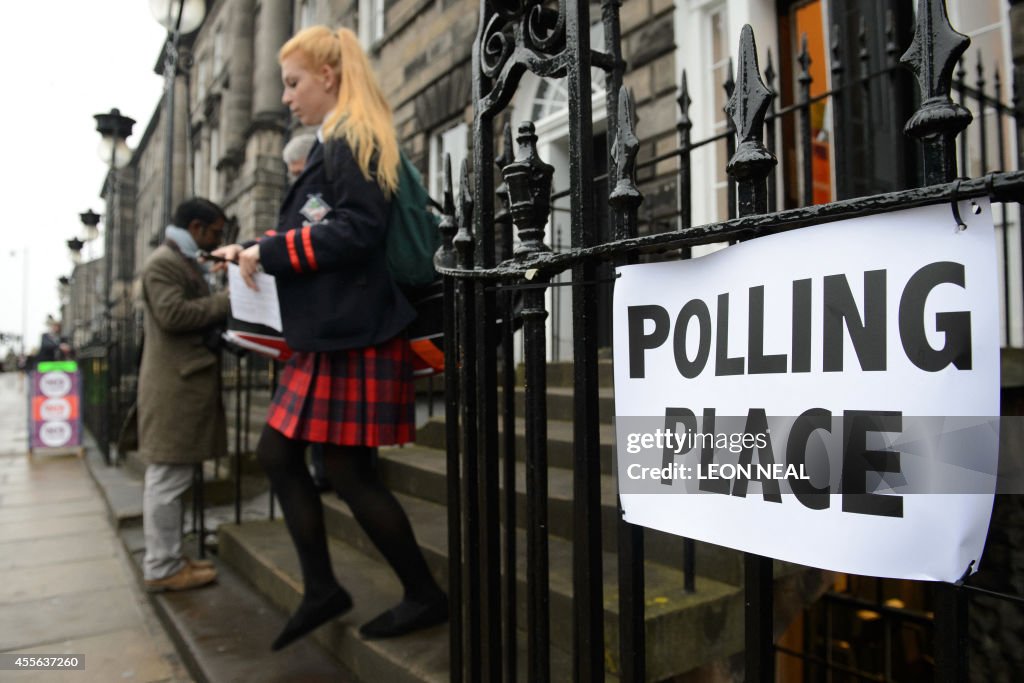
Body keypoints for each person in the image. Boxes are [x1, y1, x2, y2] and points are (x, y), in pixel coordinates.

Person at [213, 25, 446, 650]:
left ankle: (417, 593)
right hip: (341, 332)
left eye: (292, 83)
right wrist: (258, 248)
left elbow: (357, 230)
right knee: (289, 456)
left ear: (329, 76)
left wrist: (274, 249)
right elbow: (322, 223)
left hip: (357, 331)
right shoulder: (334, 140)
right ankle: (325, 587)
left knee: (344, 470)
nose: (286, 96)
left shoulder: (349, 136)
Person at [138, 198, 230, 592]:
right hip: (174, 385)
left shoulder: (180, 259)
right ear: (196, 227)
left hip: (184, 383)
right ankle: (161, 567)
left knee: (172, 476)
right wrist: (228, 300)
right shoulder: (163, 262)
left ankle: (170, 557)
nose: (216, 240)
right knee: (166, 477)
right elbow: (173, 314)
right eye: (214, 233)